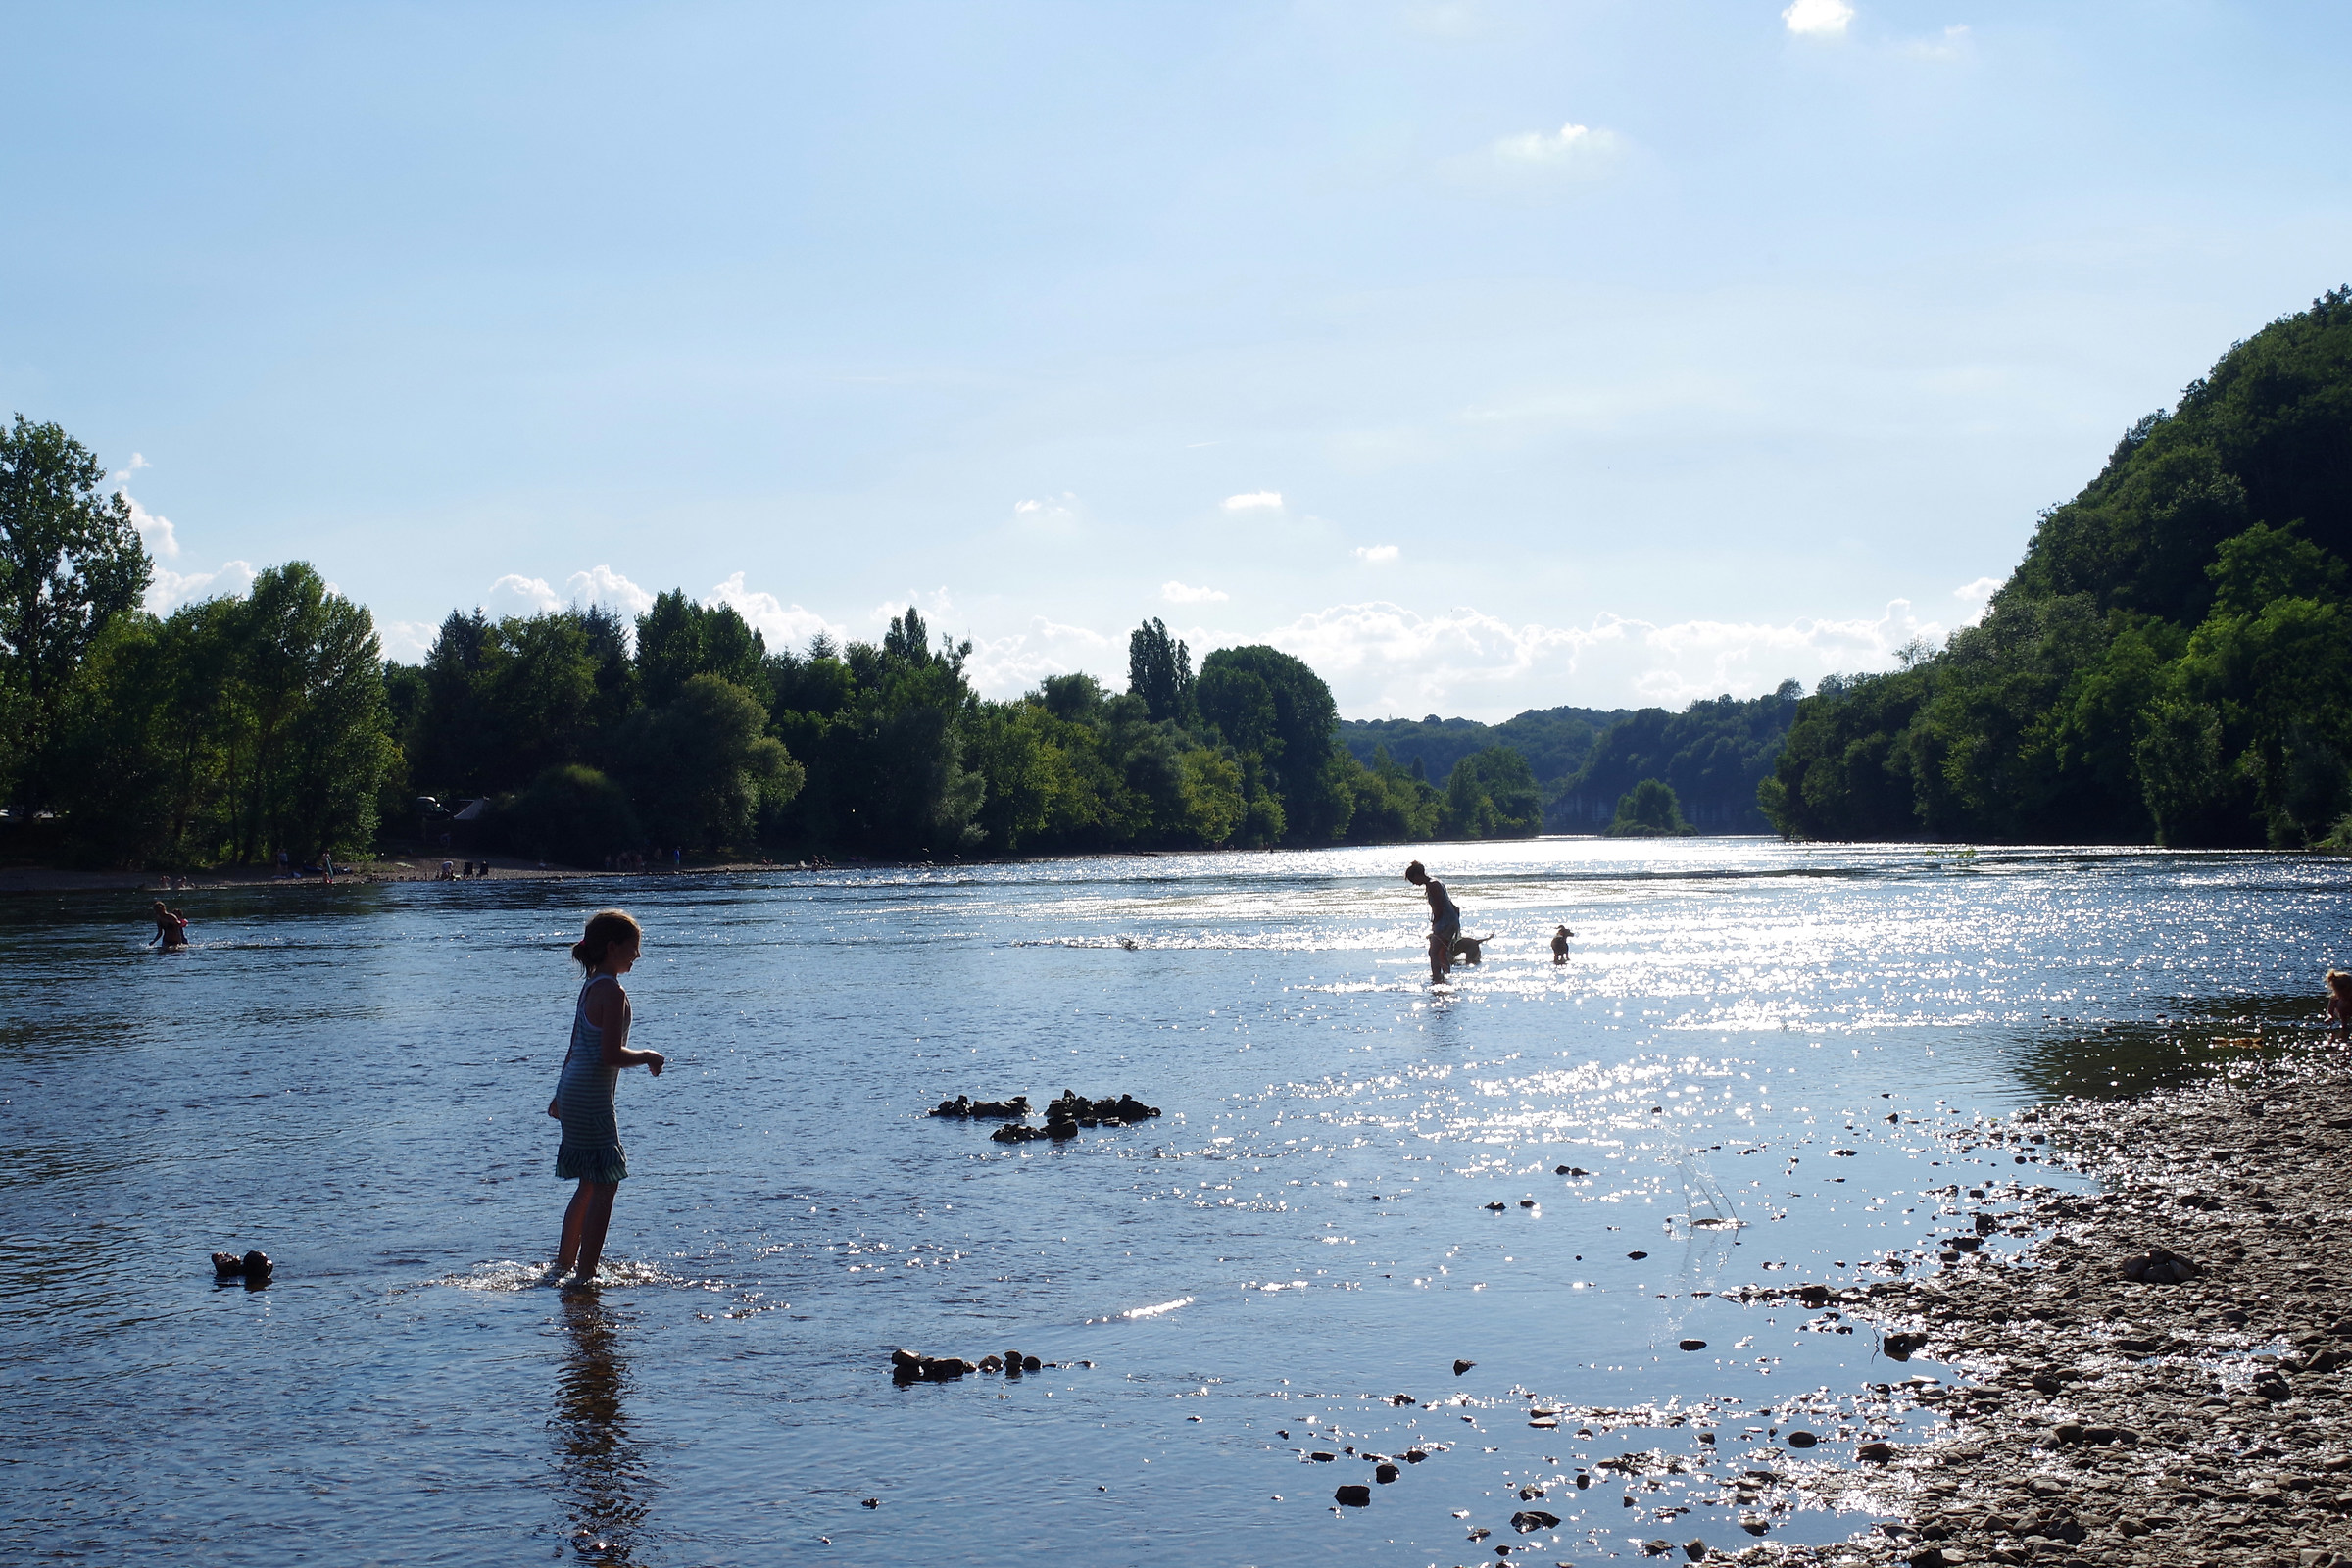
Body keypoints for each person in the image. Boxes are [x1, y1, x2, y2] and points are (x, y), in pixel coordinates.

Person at [547, 909, 664, 1289]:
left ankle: (564, 1266)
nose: (638, 955)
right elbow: (611, 1054)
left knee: (589, 1182)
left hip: (574, 1089)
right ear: (612, 947)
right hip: (590, 1095)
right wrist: (647, 1056)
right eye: (633, 948)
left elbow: (575, 1044)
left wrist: (558, 1094)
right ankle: (586, 1274)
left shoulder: (591, 985)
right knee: (606, 1183)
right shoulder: (612, 991)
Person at [1403, 860, 1461, 985]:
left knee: (1433, 952)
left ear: (1417, 875)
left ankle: (1437, 978)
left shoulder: (1432, 885)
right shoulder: (1436, 882)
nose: (1414, 884)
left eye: (1413, 880)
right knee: (1441, 952)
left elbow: (1438, 907)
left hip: (1445, 922)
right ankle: (1445, 976)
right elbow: (1451, 905)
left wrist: (1435, 923)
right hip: (1451, 920)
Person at [2328, 970, 2352, 1036]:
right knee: (2342, 1005)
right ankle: (2344, 1031)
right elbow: (2329, 1011)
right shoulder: (2334, 998)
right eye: (2343, 994)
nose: (2346, 995)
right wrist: (2330, 1017)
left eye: (2349, 991)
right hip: (2342, 1012)